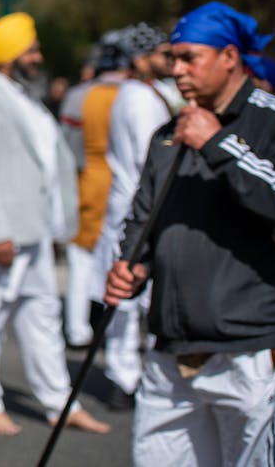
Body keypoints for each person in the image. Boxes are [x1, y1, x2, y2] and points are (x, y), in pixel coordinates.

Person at [104, 1, 275, 466]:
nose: (176, 70)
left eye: (189, 58)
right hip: (170, 348)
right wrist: (132, 265)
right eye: (172, 58)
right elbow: (144, 217)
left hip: (249, 348)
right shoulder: (169, 133)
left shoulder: (271, 121)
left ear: (229, 57)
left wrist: (219, 144)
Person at [0, 12, 110, 436]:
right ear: (9, 57)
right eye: (32, 50)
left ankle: (60, 402)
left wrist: (60, 226)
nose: (38, 57)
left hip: (36, 231)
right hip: (7, 234)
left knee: (42, 316)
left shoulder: (24, 97)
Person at [93, 22, 176, 410]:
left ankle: (127, 373)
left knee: (132, 300)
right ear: (142, 60)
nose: (171, 60)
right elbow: (152, 160)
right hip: (135, 210)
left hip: (135, 206)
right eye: (164, 53)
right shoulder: (139, 99)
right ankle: (123, 379)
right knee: (128, 299)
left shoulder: (142, 93)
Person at [59, 29, 132, 349]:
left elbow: (67, 151)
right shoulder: (139, 95)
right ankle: (114, 332)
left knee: (81, 261)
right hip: (127, 188)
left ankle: (77, 328)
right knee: (122, 261)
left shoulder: (80, 96)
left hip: (88, 182)